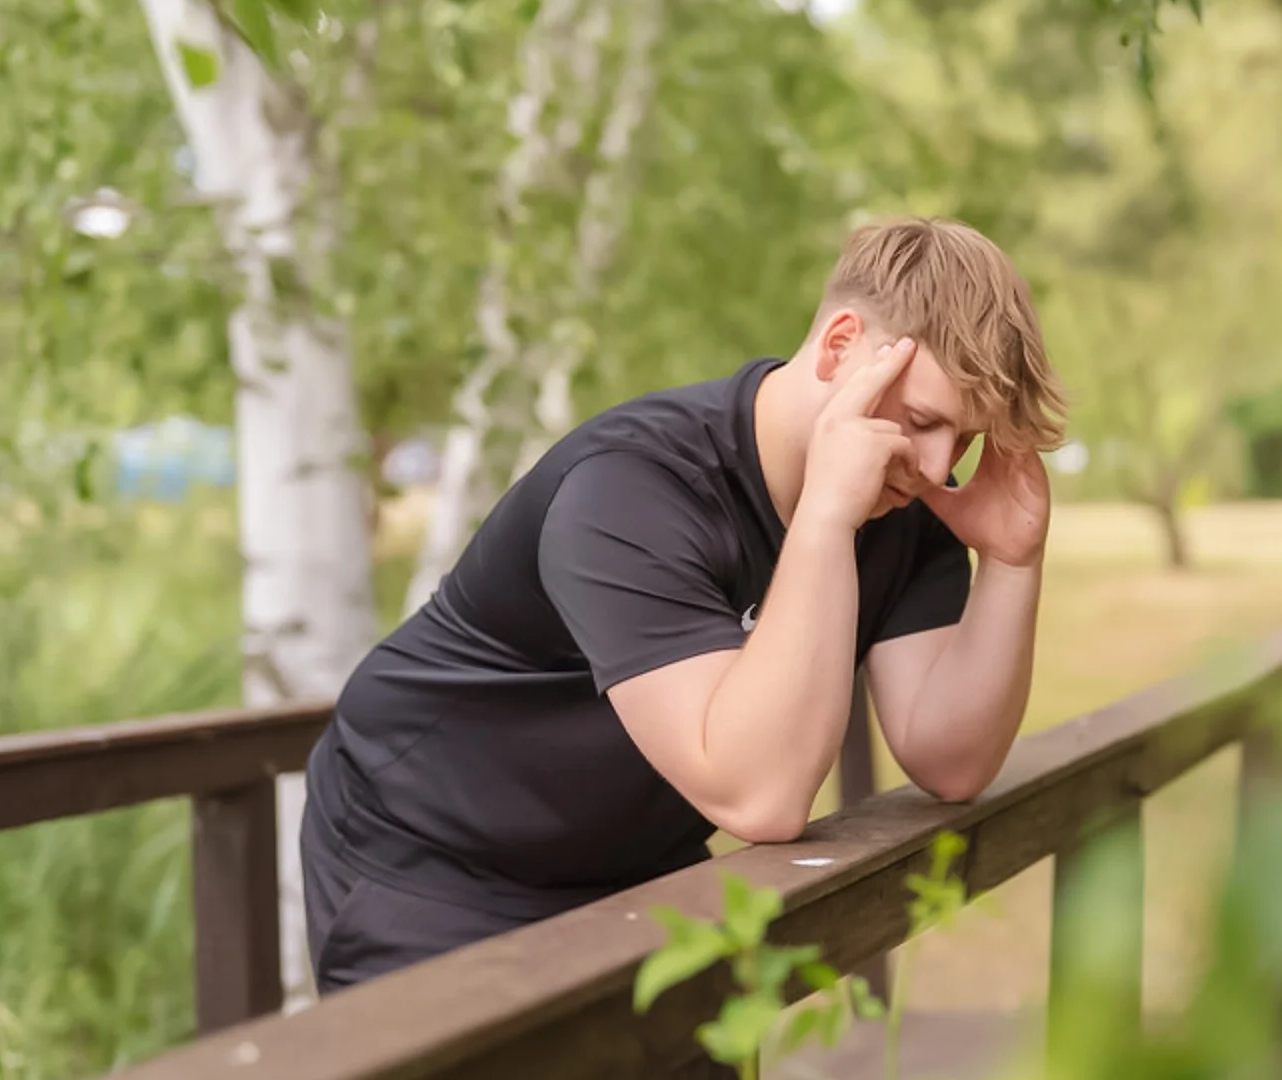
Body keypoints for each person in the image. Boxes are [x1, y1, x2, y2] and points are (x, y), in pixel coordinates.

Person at [299, 216, 1069, 994]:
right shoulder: (630, 487)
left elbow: (950, 759)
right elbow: (761, 798)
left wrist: (1012, 561)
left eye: (964, 439)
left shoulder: (903, 502)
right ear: (840, 347)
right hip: (431, 856)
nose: (937, 467)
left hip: (634, 862)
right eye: (924, 421)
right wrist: (826, 517)